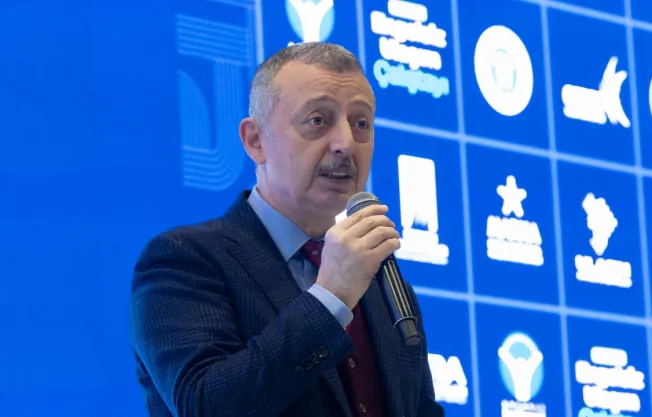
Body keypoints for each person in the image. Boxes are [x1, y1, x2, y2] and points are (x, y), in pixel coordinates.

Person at [129, 42, 445, 417]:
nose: (346, 144)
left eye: (360, 124)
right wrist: (331, 297)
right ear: (255, 140)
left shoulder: (382, 285)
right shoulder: (184, 260)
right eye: (318, 121)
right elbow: (205, 405)